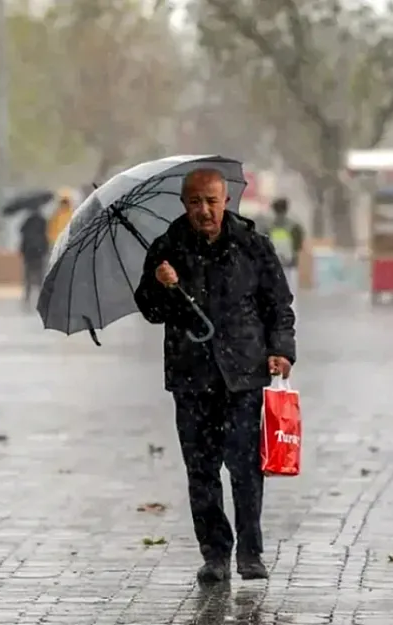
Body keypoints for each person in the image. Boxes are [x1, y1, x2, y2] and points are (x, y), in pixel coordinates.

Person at [134, 168, 296, 584]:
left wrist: (281, 350)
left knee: (245, 469)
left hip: (244, 374)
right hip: (191, 378)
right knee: (201, 471)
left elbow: (278, 304)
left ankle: (251, 553)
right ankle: (215, 555)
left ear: (225, 201)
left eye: (211, 201)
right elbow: (151, 310)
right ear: (184, 204)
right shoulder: (166, 250)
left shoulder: (254, 247)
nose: (203, 210)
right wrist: (161, 285)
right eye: (194, 202)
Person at [263, 197, 304, 294]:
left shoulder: (269, 226)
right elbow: (298, 244)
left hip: (273, 264)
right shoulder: (294, 225)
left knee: (275, 292)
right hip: (290, 263)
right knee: (291, 290)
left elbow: (264, 244)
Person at [18, 206, 49, 305]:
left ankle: (27, 296)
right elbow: (46, 236)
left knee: (28, 275)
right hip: (39, 251)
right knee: (40, 274)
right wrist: (45, 249)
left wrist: (22, 250)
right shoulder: (43, 221)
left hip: (29, 252)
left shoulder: (27, 222)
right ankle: (41, 296)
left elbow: (22, 234)